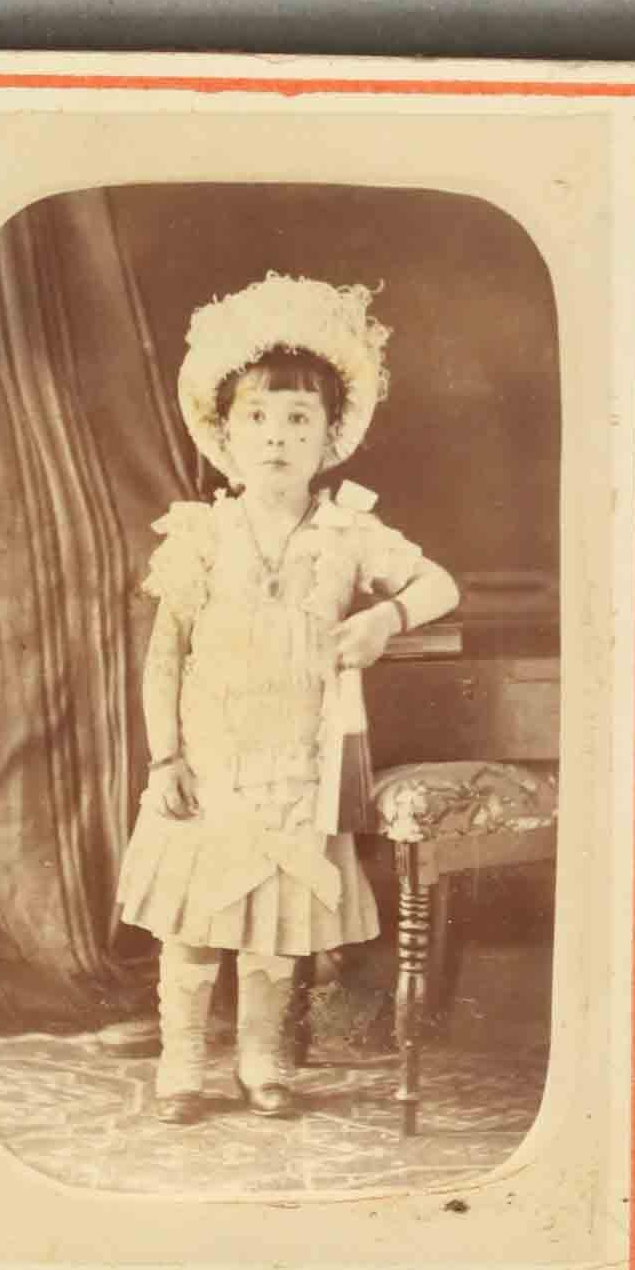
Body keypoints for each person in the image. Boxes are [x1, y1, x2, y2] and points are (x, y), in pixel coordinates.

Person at [117, 273, 459, 1124]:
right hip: (208, 761)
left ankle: (263, 1063)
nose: (276, 438)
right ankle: (184, 1067)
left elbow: (442, 584)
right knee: (194, 922)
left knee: (272, 925)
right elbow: (165, 658)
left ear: (328, 436)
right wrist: (166, 757)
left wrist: (387, 615)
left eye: (298, 419)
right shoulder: (199, 536)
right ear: (225, 435)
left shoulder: (349, 533)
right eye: (257, 419)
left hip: (295, 764)